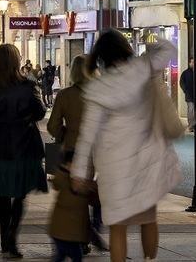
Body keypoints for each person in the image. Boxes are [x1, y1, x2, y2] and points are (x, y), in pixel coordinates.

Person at [71, 30, 180, 262]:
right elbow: (169, 49)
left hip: (114, 169)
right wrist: (149, 36)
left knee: (117, 229)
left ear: (101, 57)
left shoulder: (99, 89)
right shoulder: (143, 69)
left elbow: (87, 136)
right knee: (149, 219)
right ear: (125, 48)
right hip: (146, 161)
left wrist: (80, 171)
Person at [0, 43, 47, 258]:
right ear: (17, 61)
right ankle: (12, 236)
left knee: (2, 194)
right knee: (19, 195)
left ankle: (3, 238)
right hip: (23, 146)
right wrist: (24, 118)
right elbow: (40, 111)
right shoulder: (27, 85)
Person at [47, 55, 106, 258]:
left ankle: (80, 236)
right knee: (95, 193)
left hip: (74, 151)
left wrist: (64, 132)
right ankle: (93, 227)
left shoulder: (65, 95)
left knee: (75, 195)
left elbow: (52, 126)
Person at [179, 58, 195, 131]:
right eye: (192, 62)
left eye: (194, 62)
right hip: (189, 95)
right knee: (191, 109)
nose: (193, 63)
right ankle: (191, 126)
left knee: (195, 111)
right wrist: (185, 90)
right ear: (189, 63)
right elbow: (181, 82)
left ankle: (194, 125)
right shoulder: (185, 73)